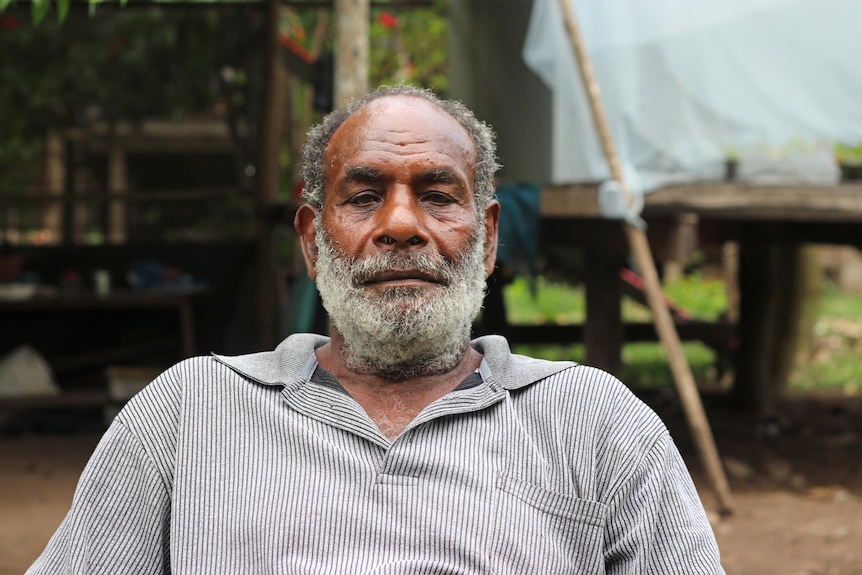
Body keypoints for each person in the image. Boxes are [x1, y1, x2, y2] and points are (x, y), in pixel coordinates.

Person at [28, 84, 724, 574]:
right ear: (311, 240)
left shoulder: (599, 425)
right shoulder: (185, 415)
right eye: (363, 196)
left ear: (485, 239)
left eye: (436, 194)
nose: (399, 224)